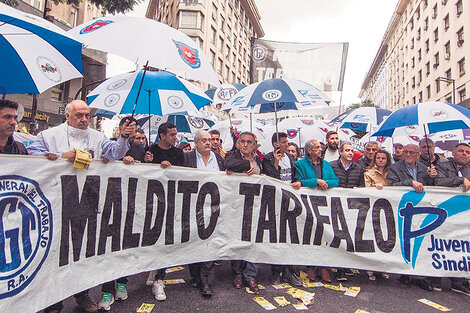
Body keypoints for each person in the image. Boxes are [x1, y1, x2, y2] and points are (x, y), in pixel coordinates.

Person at [27, 100, 135, 313]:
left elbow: (114, 153)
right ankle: (53, 302)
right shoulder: (48, 136)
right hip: (55, 205)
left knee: (79, 251)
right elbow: (30, 157)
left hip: (86, 203)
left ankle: (82, 294)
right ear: (67, 116)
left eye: (87, 115)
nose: (85, 119)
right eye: (79, 115)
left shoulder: (97, 137)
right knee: (54, 254)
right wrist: (60, 157)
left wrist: (123, 136)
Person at [97, 117, 142, 311]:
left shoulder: (140, 149)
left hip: (130, 204)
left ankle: (122, 282)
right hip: (108, 203)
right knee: (107, 249)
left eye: (135, 128)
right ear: (121, 127)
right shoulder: (106, 143)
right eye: (128, 127)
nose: (132, 131)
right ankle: (107, 291)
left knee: (125, 247)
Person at [387, 144, 436, 291]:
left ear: (418, 154)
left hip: (422, 209)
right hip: (404, 209)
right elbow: (391, 184)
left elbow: (433, 186)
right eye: (406, 152)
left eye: (411, 152)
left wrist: (433, 177)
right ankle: (405, 272)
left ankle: (420, 276)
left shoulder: (424, 168)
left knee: (422, 241)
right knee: (405, 240)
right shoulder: (395, 168)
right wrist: (410, 183)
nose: (408, 154)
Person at [144, 122, 184, 301]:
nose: (175, 138)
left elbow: (185, 174)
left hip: (171, 201)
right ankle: (153, 267)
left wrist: (172, 168)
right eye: (172, 135)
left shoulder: (178, 153)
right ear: (162, 135)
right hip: (151, 201)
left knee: (165, 238)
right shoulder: (150, 150)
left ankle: (160, 278)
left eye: (175, 134)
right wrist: (147, 162)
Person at [184, 130, 225, 297]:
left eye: (209, 140)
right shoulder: (187, 159)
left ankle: (206, 283)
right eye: (203, 140)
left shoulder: (220, 159)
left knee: (210, 243)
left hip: (214, 207)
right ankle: (196, 276)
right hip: (193, 207)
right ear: (196, 144)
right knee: (194, 242)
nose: (208, 143)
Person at [294, 140, 339, 283]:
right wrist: (316, 181)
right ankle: (310, 267)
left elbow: (335, 180)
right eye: (317, 147)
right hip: (307, 204)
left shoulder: (326, 164)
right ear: (309, 151)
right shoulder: (299, 164)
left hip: (324, 204)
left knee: (324, 235)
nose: (320, 149)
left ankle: (323, 267)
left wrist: (326, 184)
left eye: (320, 147)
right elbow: (299, 181)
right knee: (310, 235)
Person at [224, 131, 263, 294]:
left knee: (255, 240)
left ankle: (251, 275)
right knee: (237, 239)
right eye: (242, 141)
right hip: (237, 205)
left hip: (256, 205)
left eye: (249, 142)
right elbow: (229, 163)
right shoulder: (232, 155)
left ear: (254, 145)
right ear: (237, 143)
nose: (246, 144)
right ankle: (237, 274)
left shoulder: (259, 159)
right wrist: (246, 166)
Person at [262, 132, 302, 286]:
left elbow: (294, 176)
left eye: (286, 142)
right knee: (277, 236)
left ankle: (289, 271)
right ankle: (276, 271)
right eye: (284, 142)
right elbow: (271, 179)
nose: (287, 144)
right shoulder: (267, 158)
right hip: (275, 201)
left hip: (290, 201)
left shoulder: (291, 158)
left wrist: (298, 182)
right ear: (275, 144)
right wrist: (276, 165)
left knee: (290, 236)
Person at [434, 143, 470, 295]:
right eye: (461, 151)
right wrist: (460, 180)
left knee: (461, 245)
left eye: (467, 152)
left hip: (465, 216)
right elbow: (439, 182)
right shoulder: (442, 166)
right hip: (446, 212)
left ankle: (459, 280)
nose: (464, 154)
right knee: (442, 244)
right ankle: (436, 275)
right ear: (453, 153)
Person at [330, 142, 364, 281]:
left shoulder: (358, 168)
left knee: (350, 236)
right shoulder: (332, 166)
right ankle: (339, 268)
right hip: (336, 205)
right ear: (341, 152)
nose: (350, 153)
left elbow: (362, 185)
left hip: (352, 206)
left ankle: (346, 264)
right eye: (347, 150)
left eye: (352, 150)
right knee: (338, 235)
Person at [363, 149, 392, 280]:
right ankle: (371, 266)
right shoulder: (368, 173)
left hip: (389, 209)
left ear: (387, 160)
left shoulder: (391, 173)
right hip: (374, 208)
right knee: (374, 236)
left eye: (383, 158)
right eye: (378, 158)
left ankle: (384, 266)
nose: (380, 160)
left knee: (387, 237)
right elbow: (366, 189)